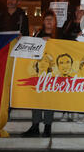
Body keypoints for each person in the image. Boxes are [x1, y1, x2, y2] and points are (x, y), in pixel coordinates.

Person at [22, 9, 59, 137]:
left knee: (49, 100)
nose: (49, 21)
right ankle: (35, 126)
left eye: (51, 19)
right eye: (46, 19)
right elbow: (30, 48)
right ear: (43, 21)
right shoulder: (37, 34)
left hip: (53, 74)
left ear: (55, 22)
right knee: (36, 99)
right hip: (38, 72)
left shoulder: (60, 34)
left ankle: (47, 127)